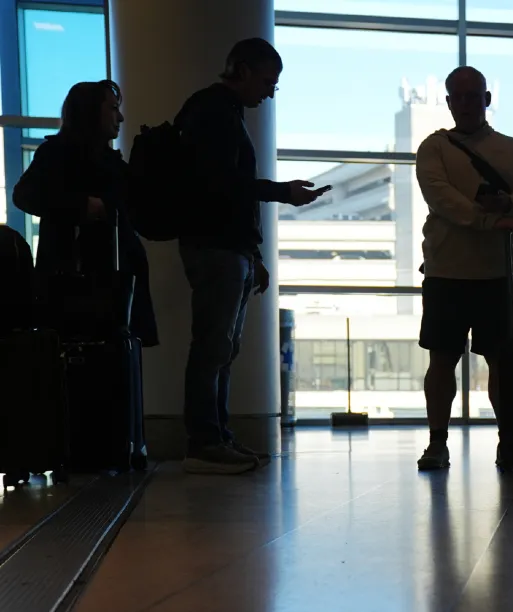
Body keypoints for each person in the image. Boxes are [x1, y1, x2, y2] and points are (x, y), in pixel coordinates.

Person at [176, 38, 331, 474]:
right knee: (214, 348)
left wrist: (252, 253)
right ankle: (205, 441)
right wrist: (282, 192)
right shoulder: (214, 113)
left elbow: (224, 192)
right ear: (240, 70)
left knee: (220, 348)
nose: (269, 92)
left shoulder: (218, 111)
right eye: (267, 81)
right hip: (217, 249)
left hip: (227, 249)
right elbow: (224, 187)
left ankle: (216, 437)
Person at [414, 66, 513, 472]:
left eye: (475, 96)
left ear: (487, 100)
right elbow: (440, 198)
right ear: (450, 102)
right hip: (449, 271)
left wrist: (507, 205)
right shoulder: (433, 148)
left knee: (502, 364)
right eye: (460, 96)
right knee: (442, 360)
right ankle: (439, 441)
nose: (468, 103)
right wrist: (495, 218)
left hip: (496, 274)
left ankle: (508, 441)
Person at [13, 80, 159, 349]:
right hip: (80, 293)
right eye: (113, 108)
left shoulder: (109, 162)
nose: (120, 117)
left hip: (105, 293)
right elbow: (24, 195)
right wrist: (82, 206)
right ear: (91, 111)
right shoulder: (58, 154)